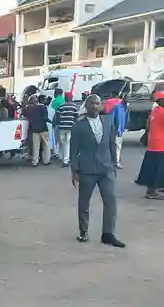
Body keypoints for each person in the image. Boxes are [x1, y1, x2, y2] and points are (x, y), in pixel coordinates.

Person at [69, 94, 125, 247]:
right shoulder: (78, 126)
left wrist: (114, 164)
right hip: (86, 169)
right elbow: (73, 150)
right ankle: (84, 231)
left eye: (98, 103)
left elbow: (112, 144)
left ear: (101, 106)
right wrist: (74, 170)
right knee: (84, 202)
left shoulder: (108, 122)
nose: (95, 106)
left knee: (110, 201)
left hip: (106, 168)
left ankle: (108, 234)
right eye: (92, 103)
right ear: (86, 106)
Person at [137, 95, 164, 199]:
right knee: (157, 170)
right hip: (160, 145)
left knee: (152, 168)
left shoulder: (155, 110)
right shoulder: (162, 112)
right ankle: (152, 191)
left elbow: (148, 125)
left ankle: (153, 189)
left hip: (153, 144)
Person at [23, 93, 50, 166]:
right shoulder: (43, 107)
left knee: (36, 147)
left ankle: (35, 161)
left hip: (35, 130)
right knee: (46, 145)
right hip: (43, 129)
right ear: (43, 100)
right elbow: (45, 118)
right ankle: (46, 160)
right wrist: (52, 122)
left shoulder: (32, 108)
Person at [53, 92, 79, 168]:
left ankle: (63, 158)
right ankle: (66, 160)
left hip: (62, 127)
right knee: (68, 143)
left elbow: (57, 116)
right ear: (71, 98)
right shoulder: (74, 106)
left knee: (63, 143)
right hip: (71, 128)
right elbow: (77, 117)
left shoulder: (61, 106)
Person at [111, 94, 128, 169]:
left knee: (118, 146)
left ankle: (115, 161)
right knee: (117, 146)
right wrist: (116, 129)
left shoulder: (126, 108)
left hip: (121, 130)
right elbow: (111, 119)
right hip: (116, 130)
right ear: (124, 98)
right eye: (127, 98)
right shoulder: (117, 107)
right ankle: (116, 162)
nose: (129, 99)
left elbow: (125, 119)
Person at [49, 88, 64, 159]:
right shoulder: (63, 100)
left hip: (57, 122)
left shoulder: (55, 101)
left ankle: (57, 153)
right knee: (63, 140)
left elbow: (52, 111)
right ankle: (61, 155)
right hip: (64, 123)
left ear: (57, 93)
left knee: (57, 139)